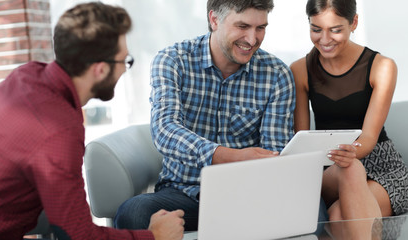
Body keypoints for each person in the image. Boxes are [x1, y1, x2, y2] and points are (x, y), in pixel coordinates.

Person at [0, 2, 184, 240]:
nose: (123, 71)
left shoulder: (27, 75)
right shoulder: (57, 131)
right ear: (99, 69)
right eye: (124, 62)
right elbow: (77, 236)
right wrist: (154, 236)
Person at [114, 0, 303, 231]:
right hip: (182, 195)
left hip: (247, 197)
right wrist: (231, 156)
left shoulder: (276, 74)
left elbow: (275, 152)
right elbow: (165, 131)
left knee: (312, 212)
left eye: (260, 28)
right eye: (242, 26)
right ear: (214, 20)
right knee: (133, 212)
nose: (252, 40)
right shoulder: (173, 61)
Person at [290, 0, 408, 221]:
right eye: (316, 29)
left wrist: (349, 153)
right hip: (331, 172)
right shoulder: (299, 70)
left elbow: (368, 136)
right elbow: (302, 139)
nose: (324, 40)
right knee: (347, 171)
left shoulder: (382, 67)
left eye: (335, 30)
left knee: (338, 217)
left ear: (353, 22)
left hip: (381, 169)